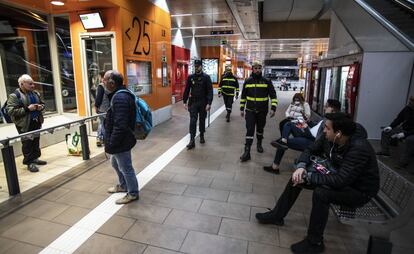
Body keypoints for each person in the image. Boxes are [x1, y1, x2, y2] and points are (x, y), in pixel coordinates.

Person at [256, 113, 379, 254]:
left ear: (338, 133)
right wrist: (301, 166)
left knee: (321, 194)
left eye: (327, 128)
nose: (324, 130)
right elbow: (310, 149)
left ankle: (315, 243)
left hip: (358, 190)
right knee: (297, 177)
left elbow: (341, 180)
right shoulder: (330, 138)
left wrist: (309, 176)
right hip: (337, 177)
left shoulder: (358, 148)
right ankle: (277, 215)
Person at [264, 99, 341, 174]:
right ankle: (283, 141)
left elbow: (319, 138)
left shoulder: (330, 124)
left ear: (333, 110)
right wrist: (308, 121)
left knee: (283, 141)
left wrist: (306, 128)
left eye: (326, 106)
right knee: (289, 123)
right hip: (308, 134)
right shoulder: (326, 118)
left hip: (311, 140)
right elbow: (316, 126)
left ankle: (275, 166)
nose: (324, 108)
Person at [103, 70, 139, 205]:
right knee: (114, 163)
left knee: (126, 167)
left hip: (122, 141)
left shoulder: (120, 98)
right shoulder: (120, 95)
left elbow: (120, 125)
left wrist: (112, 143)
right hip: (122, 140)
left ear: (112, 83)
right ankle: (123, 185)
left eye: (105, 80)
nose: (103, 82)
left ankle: (133, 193)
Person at [6, 74, 47, 173]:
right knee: (27, 144)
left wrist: (41, 107)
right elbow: (11, 111)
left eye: (33, 83)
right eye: (30, 84)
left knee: (35, 141)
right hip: (24, 124)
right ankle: (29, 162)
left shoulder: (35, 93)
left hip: (36, 122)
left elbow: (42, 103)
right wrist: (27, 109)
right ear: (22, 84)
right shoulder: (14, 96)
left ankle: (35, 158)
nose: (33, 86)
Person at [240, 61, 278, 161]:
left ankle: (259, 143)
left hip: (262, 111)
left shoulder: (267, 81)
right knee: (250, 129)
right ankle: (247, 151)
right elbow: (243, 96)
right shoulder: (247, 81)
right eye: (255, 68)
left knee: (260, 129)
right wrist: (241, 108)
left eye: (259, 68)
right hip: (250, 110)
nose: (257, 70)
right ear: (252, 69)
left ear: (261, 69)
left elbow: (273, 96)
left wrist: (273, 108)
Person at [183, 59, 213, 150]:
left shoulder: (206, 77)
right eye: (195, 66)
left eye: (198, 66)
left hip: (203, 102)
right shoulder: (190, 77)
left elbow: (210, 91)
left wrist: (209, 103)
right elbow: (187, 90)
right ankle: (192, 140)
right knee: (192, 121)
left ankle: (202, 135)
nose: (196, 68)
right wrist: (184, 101)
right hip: (193, 102)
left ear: (201, 66)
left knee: (202, 120)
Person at [376, 95, 414, 168]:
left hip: (411, 133)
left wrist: (405, 134)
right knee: (385, 132)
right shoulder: (407, 108)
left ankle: (404, 161)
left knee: (409, 140)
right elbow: (399, 119)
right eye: (410, 101)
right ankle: (385, 151)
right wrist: (391, 126)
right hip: (405, 130)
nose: (410, 103)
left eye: (412, 102)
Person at [94, 71, 109, 147]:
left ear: (102, 77)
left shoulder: (101, 86)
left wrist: (96, 107)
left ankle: (101, 139)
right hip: (108, 109)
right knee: (105, 124)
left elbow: (98, 98)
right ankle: (102, 138)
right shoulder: (110, 85)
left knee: (102, 123)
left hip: (102, 109)